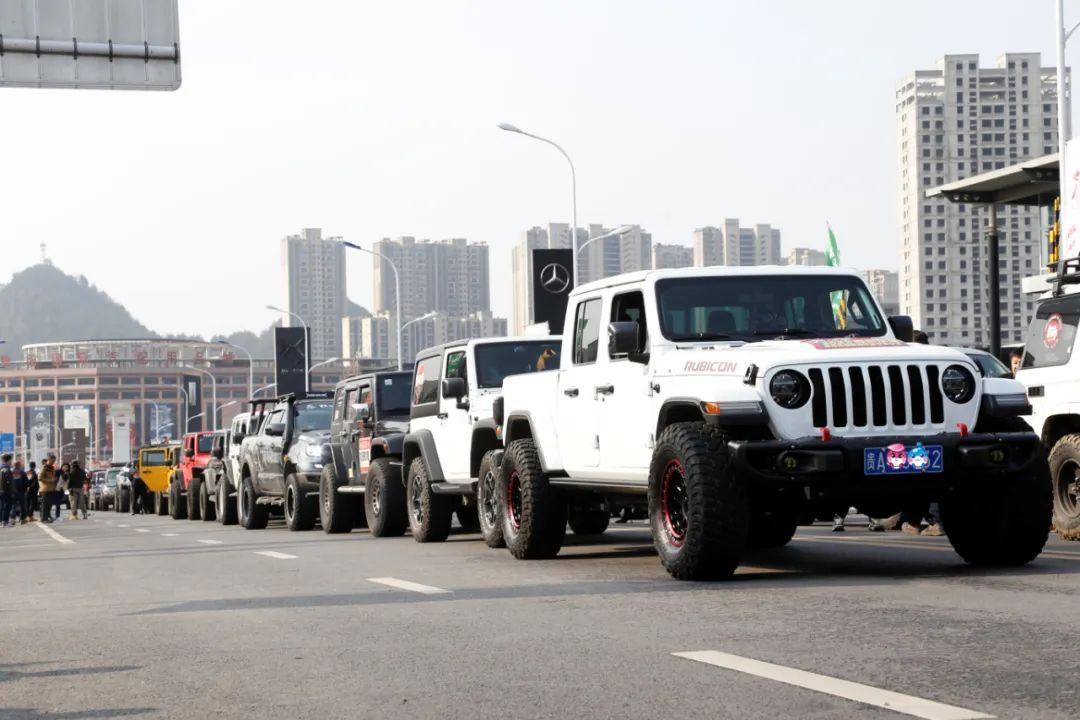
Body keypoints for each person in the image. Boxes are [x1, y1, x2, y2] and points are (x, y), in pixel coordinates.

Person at [38, 456, 57, 523]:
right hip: (45, 489)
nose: (53, 462)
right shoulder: (44, 467)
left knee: (49, 505)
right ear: (49, 460)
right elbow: (40, 477)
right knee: (45, 505)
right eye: (53, 460)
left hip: (51, 489)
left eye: (54, 461)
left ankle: (47, 517)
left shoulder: (52, 468)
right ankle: (44, 519)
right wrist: (50, 480)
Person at [12, 460, 29, 524]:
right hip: (21, 491)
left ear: (14, 465)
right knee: (22, 505)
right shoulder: (22, 472)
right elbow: (26, 482)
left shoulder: (11, 472)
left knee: (13, 505)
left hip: (13, 492)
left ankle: (12, 519)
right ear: (19, 465)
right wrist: (25, 489)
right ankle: (22, 519)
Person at [0, 453, 13, 527]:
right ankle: (5, 521)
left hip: (2, 490)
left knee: (2, 506)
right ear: (9, 460)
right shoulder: (6, 469)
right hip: (6, 491)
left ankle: (2, 521)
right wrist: (12, 492)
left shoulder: (1, 468)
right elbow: (9, 482)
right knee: (7, 506)